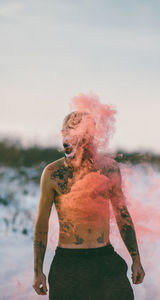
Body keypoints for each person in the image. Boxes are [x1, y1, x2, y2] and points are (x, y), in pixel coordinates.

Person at [32, 111, 145, 300]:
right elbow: (41, 224)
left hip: (105, 259)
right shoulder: (53, 173)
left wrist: (136, 259)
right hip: (68, 263)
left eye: (86, 132)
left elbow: (122, 214)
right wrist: (38, 271)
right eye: (73, 130)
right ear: (66, 134)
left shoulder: (109, 169)